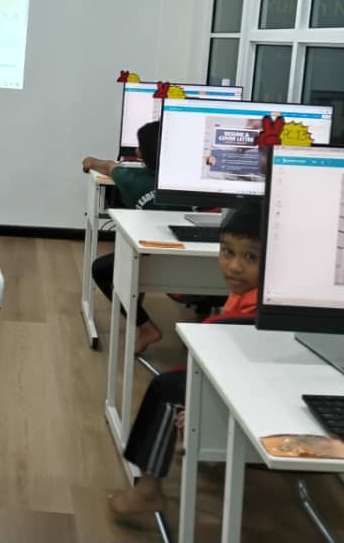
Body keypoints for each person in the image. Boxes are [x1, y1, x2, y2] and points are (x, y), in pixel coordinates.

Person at [107, 202, 262, 528]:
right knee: (177, 379)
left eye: (251, 257)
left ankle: (148, 489)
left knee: (165, 389)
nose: (234, 267)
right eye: (227, 252)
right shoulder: (252, 296)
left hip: (247, 395)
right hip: (242, 381)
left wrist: (201, 405)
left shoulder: (245, 316)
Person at [82, 121, 167, 353]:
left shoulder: (133, 181)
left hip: (152, 262)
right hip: (203, 267)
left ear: (141, 154)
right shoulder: (193, 182)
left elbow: (109, 166)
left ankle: (146, 327)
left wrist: (91, 161)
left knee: (101, 269)